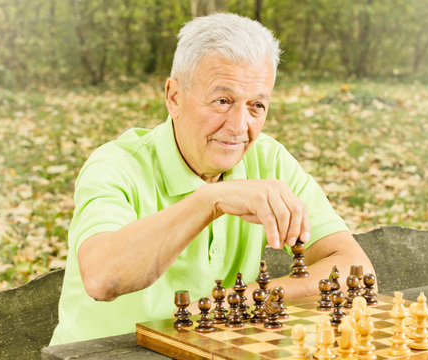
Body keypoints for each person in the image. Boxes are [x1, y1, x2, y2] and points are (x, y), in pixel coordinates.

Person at [49, 13, 374, 345]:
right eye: (223, 101)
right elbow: (103, 279)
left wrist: (236, 301)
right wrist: (211, 200)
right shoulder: (116, 165)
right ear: (174, 97)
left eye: (257, 106)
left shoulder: (269, 159)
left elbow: (356, 272)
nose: (238, 126)